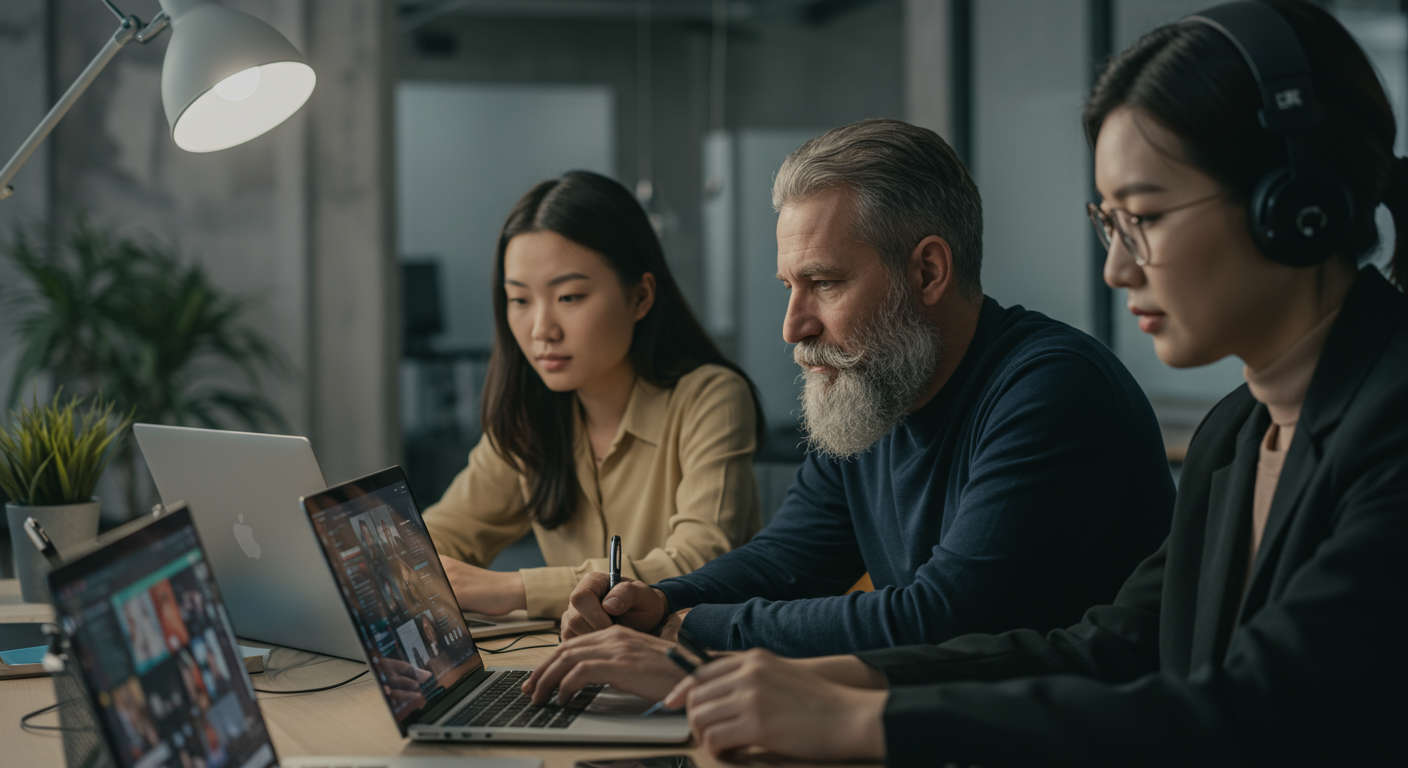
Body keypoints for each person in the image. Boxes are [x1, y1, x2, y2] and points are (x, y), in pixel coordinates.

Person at [629, 2, 1408, 762]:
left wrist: (869, 722)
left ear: (1294, 207)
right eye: (1109, 224)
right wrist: (840, 680)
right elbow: (1105, 649)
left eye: (1145, 216)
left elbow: (1249, 707)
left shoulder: (1390, 426)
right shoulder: (1236, 432)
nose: (1116, 267)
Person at [524, 116, 1175, 694]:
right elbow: (787, 561)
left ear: (927, 272)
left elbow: (938, 619)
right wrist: (657, 599)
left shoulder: (1051, 390)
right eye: (788, 286)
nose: (793, 325)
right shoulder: (879, 387)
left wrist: (686, 627)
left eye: (824, 284)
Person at [424, 170, 766, 619]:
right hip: (576, 668)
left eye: (569, 297)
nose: (542, 329)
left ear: (640, 296)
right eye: (520, 301)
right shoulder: (533, 417)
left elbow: (697, 562)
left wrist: (512, 589)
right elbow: (438, 538)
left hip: (696, 671)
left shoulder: (710, 398)